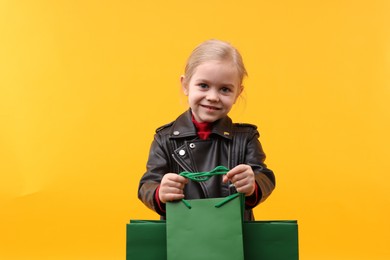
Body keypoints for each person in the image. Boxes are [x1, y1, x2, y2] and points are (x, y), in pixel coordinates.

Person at [138, 39, 275, 221]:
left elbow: (264, 176)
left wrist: (253, 185)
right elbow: (147, 184)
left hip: (233, 233)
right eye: (203, 86)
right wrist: (159, 192)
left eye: (225, 89)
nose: (212, 97)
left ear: (237, 94)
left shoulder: (246, 138)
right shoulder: (165, 139)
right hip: (183, 231)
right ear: (185, 85)